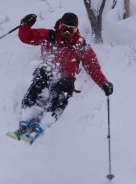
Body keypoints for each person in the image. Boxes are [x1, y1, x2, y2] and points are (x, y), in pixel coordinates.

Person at [9, 12, 113, 142]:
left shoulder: (81, 46)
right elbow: (26, 37)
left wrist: (104, 84)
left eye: (71, 30)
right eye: (64, 28)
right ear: (60, 26)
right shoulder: (50, 36)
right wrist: (25, 24)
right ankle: (28, 114)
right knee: (43, 74)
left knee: (66, 86)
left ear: (76, 29)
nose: (67, 33)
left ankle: (46, 119)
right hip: (47, 73)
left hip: (65, 80)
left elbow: (93, 69)